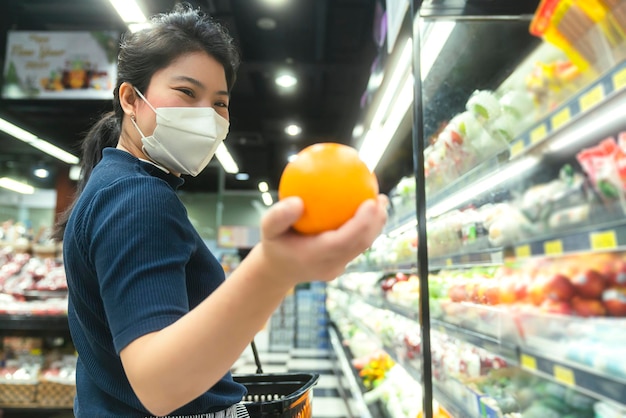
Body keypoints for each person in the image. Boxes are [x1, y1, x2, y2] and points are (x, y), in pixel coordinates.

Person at [53, 3, 388, 418]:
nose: (206, 115)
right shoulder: (138, 197)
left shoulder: (113, 184)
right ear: (130, 98)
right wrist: (274, 268)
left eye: (220, 103)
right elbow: (158, 385)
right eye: (187, 92)